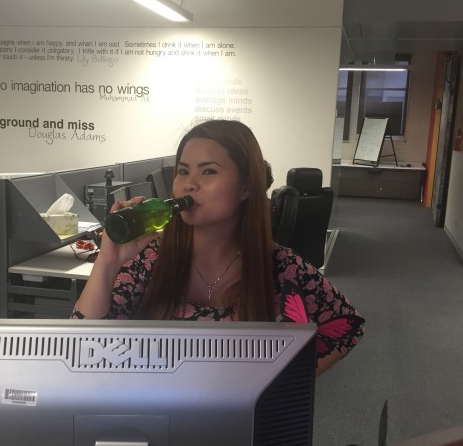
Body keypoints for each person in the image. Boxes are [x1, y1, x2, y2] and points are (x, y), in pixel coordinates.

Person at [73, 119, 364, 376]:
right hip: (156, 415)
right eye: (183, 171)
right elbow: (84, 349)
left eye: (208, 171)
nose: (189, 184)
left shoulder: (279, 265)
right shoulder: (149, 259)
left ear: (246, 186)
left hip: (238, 422)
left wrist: (283, 384)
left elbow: (347, 325)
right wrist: (108, 262)